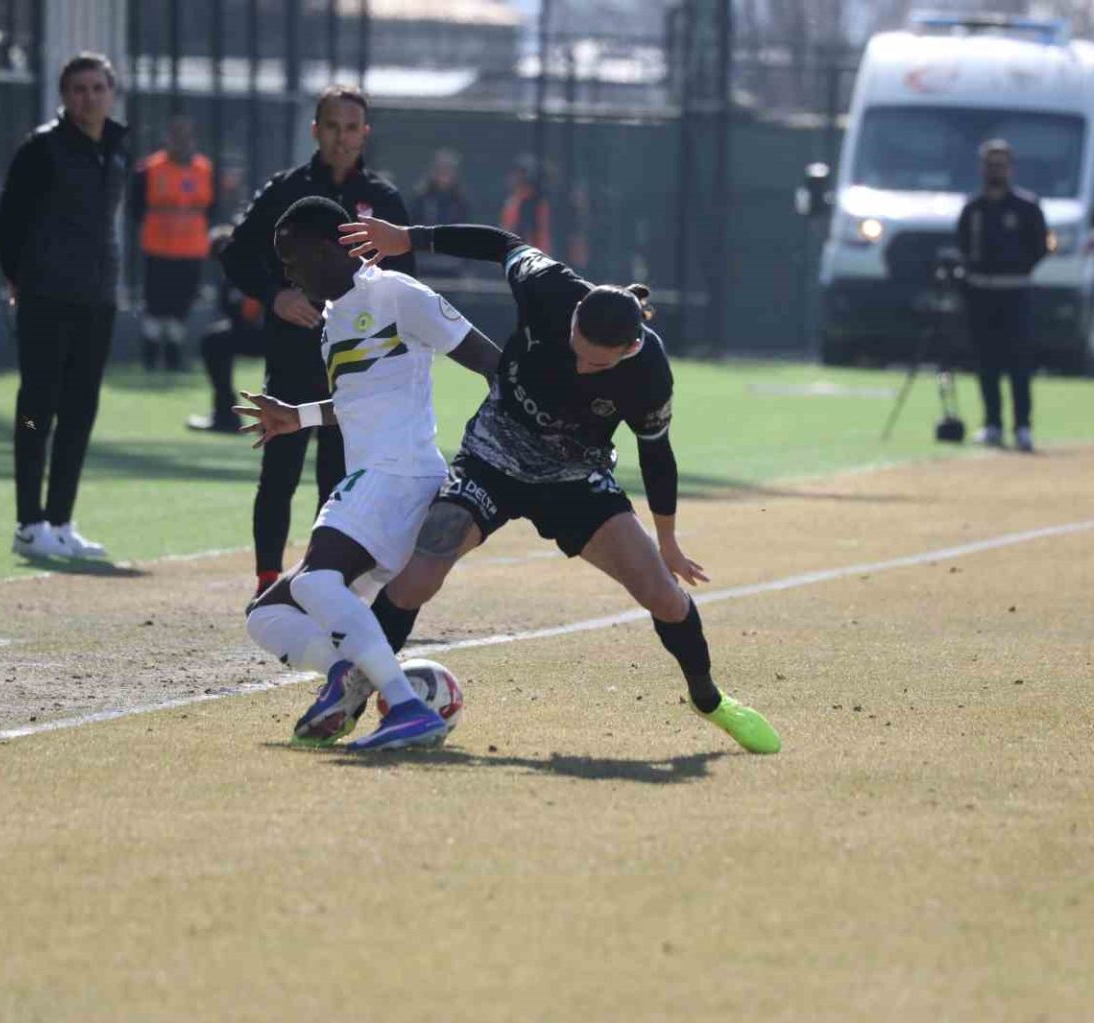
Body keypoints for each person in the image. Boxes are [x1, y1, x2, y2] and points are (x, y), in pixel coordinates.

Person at [324, 216, 782, 755]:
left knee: (664, 597)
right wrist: (409, 237)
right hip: (491, 458)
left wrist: (669, 541)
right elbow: (502, 243)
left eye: (598, 363)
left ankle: (709, 700)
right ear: (575, 316)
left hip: (574, 480)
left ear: (630, 347)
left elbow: (656, 455)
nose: (582, 367)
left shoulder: (650, 372)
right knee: (417, 576)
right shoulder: (549, 286)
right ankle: (349, 698)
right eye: (576, 348)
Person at [235, 197, 501, 750]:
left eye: (293, 259)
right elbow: (360, 399)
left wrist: (494, 449)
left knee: (314, 582)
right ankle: (348, 679)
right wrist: (298, 417)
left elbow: (493, 364)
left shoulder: (398, 294)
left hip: (398, 473)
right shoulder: (333, 319)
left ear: (329, 247)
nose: (289, 275)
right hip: (376, 480)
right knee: (269, 615)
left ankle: (405, 705)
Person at [219, 85, 415, 600]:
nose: (341, 138)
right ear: (314, 130)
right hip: (294, 352)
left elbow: (407, 280)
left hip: (357, 365)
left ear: (365, 134)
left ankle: (323, 580)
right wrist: (275, 294)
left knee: (341, 477)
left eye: (351, 128)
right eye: (331, 126)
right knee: (279, 468)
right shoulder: (285, 190)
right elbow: (235, 255)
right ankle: (267, 580)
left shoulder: (384, 200)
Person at [0, 52, 129, 560]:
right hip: (47, 298)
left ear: (111, 93)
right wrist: (20, 279)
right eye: (78, 89)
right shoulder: (41, 149)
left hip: (98, 299)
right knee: (36, 410)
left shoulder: (116, 149)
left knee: (79, 409)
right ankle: (29, 523)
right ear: (64, 96)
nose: (88, 98)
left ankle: (60, 521)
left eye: (97, 88)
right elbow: (6, 223)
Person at [955, 139, 1048, 453]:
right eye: (990, 165)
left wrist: (1018, 266)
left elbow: (1040, 247)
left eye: (1001, 165)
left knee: (1018, 362)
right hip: (982, 293)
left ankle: (1022, 426)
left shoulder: (1026, 207)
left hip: (1015, 292)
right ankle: (992, 423)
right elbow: (962, 245)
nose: (995, 171)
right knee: (986, 361)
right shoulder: (974, 208)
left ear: (1010, 168)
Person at [131, 114, 214, 372]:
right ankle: (150, 354)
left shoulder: (204, 169)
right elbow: (136, 207)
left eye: (186, 137)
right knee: (155, 303)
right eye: (177, 137)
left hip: (192, 249)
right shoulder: (150, 168)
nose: (182, 143)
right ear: (167, 139)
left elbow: (212, 207)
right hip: (158, 248)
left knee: (182, 303)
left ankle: (173, 356)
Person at [186, 225, 265, 433]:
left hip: (278, 332)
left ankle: (288, 418)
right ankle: (225, 414)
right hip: (254, 333)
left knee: (215, 341)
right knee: (214, 341)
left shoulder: (255, 269)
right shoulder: (229, 277)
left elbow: (251, 312)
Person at [410, 149, 471, 278]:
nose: (444, 175)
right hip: (424, 263)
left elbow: (467, 234)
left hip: (452, 264)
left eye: (448, 171)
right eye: (441, 170)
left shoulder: (460, 201)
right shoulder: (422, 199)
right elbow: (412, 229)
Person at [500, 156, 553, 253]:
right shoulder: (513, 199)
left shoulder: (531, 200)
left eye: (517, 173)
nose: (511, 177)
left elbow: (527, 229)